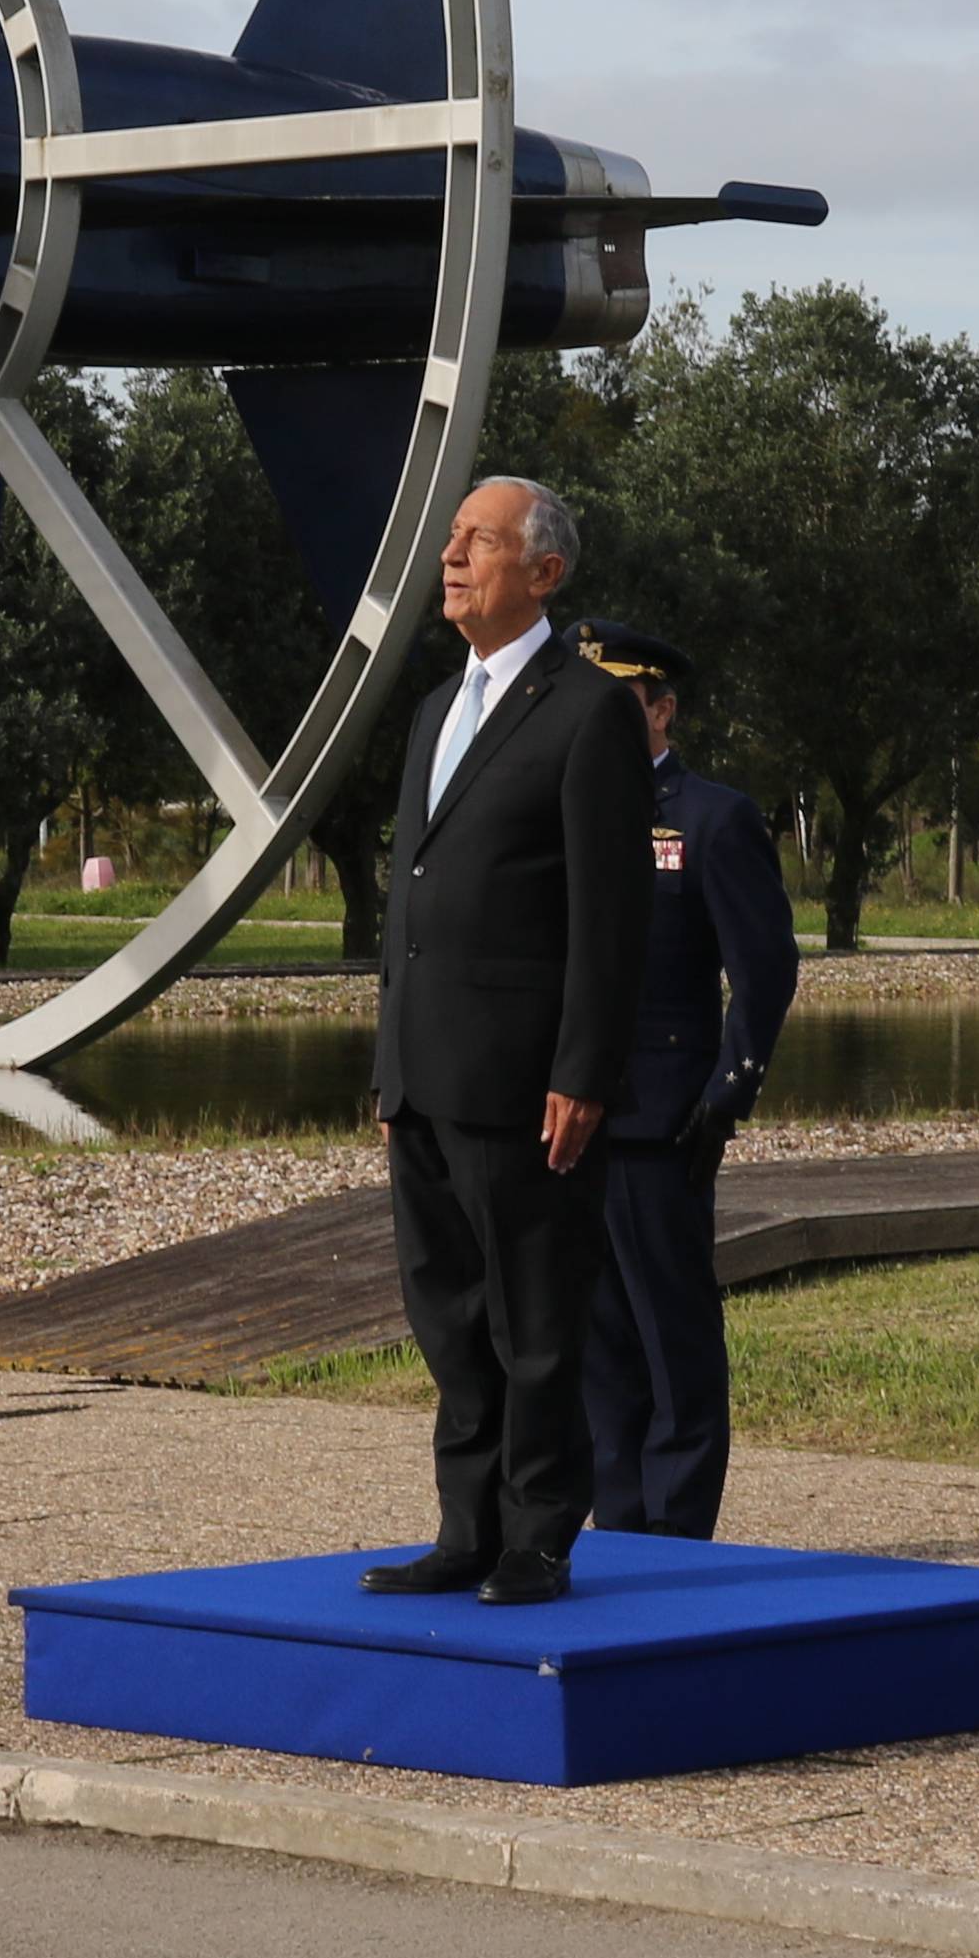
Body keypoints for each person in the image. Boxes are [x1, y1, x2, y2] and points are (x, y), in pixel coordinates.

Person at [359, 479, 655, 1607]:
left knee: (534, 1321)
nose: (450, 556)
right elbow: (410, 900)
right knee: (448, 1318)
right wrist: (388, 1060)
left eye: (475, 541)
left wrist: (582, 1073)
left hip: (524, 1079)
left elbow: (609, 919)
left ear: (542, 572)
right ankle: (464, 1527)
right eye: (449, 539)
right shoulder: (437, 710)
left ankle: (538, 1534)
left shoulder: (587, 712)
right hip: (426, 1072)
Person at [567, 618, 799, 1540]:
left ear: (660, 710)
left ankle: (677, 1540)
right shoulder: (563, 809)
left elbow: (765, 967)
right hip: (567, 1115)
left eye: (615, 700)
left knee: (673, 1342)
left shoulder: (709, 816)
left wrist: (726, 1091)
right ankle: (619, 1530)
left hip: (662, 1117)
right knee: (599, 1347)